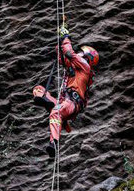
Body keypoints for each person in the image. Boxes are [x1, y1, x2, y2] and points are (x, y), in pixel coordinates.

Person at [32, 23, 99, 157]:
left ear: (87, 57)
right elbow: (62, 58)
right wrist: (60, 41)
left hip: (71, 104)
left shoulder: (85, 68)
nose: (78, 53)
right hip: (64, 102)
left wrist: (65, 38)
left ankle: (54, 143)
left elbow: (69, 53)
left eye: (81, 52)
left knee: (55, 113)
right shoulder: (75, 69)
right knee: (38, 90)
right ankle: (51, 104)